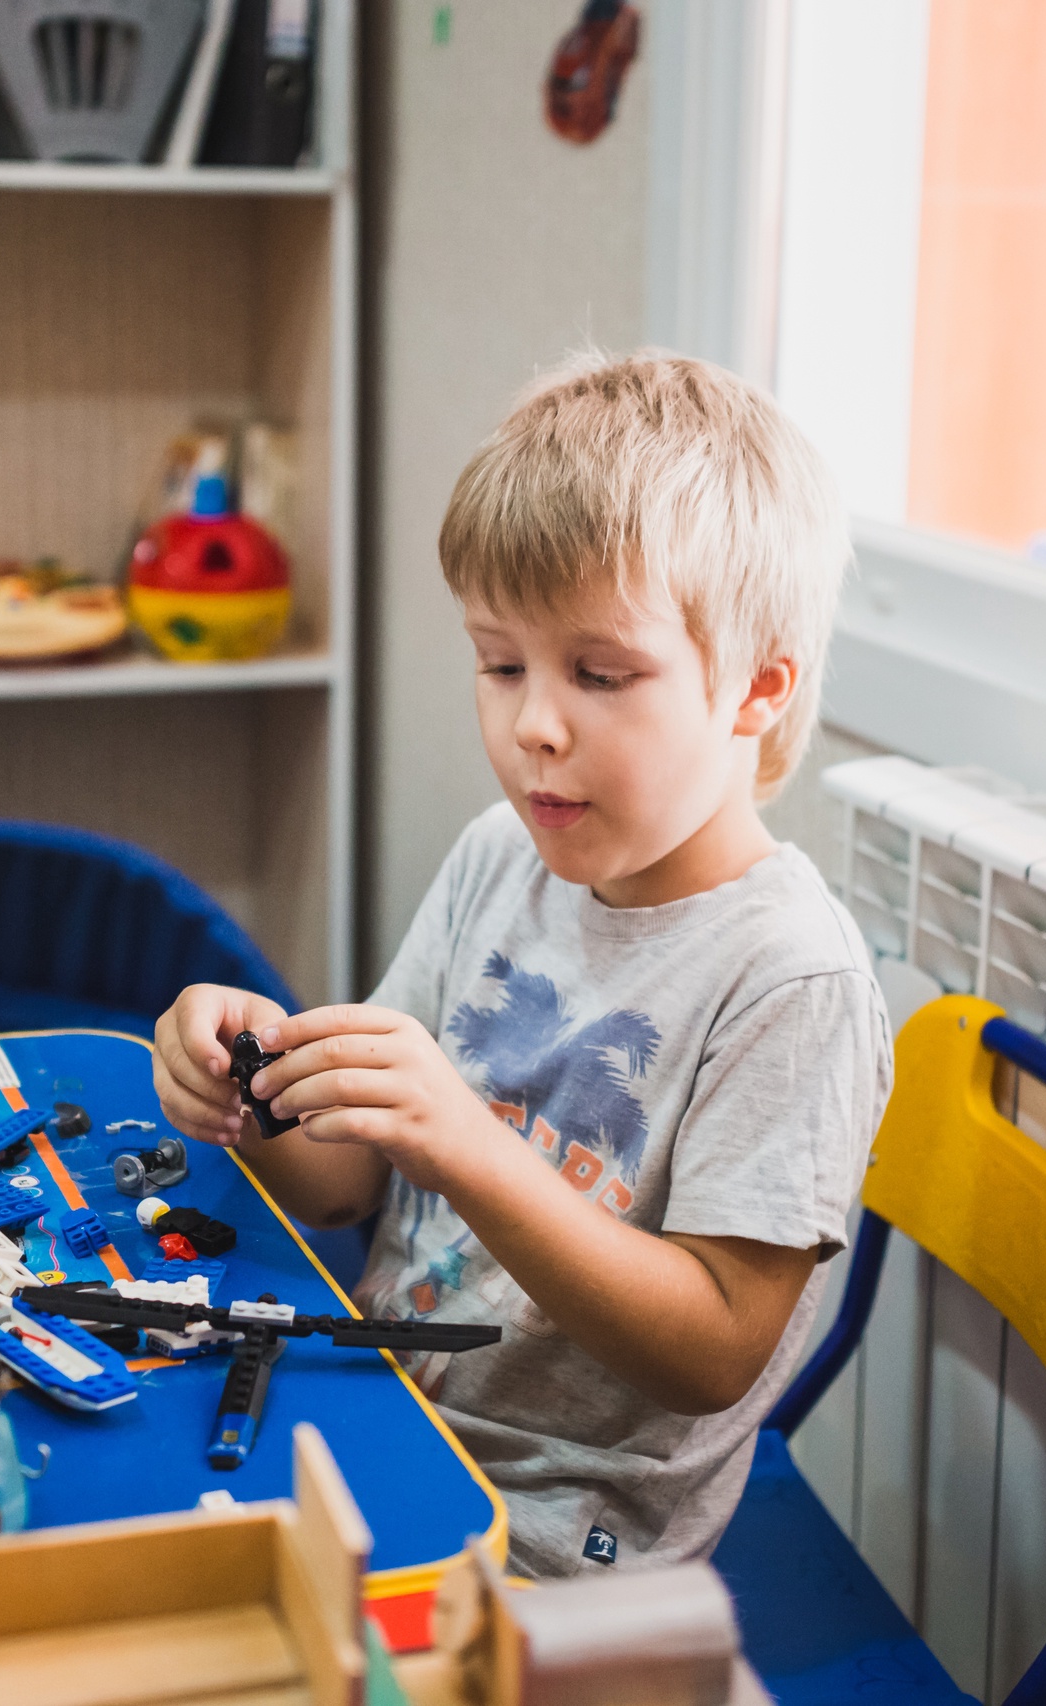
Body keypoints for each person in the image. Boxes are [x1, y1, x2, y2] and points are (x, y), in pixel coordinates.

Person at [155, 351, 892, 1576]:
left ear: (756, 689)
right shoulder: (500, 854)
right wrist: (247, 1086)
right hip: (383, 1418)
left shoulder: (788, 979)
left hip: (552, 1538)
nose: (531, 724)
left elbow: (716, 1349)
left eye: (599, 674)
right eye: (500, 663)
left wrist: (467, 1144)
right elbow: (341, 1184)